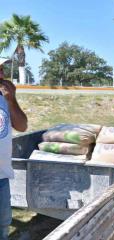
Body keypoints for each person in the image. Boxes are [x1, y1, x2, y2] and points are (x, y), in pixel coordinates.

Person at [0, 57, 27, 240]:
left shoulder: (4, 97)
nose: (2, 74)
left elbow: (22, 126)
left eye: (2, 69)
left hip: (2, 177)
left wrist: (11, 100)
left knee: (3, 227)